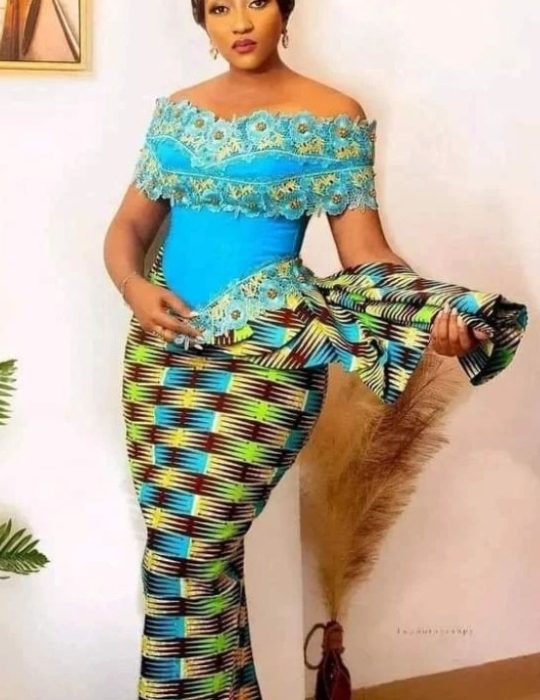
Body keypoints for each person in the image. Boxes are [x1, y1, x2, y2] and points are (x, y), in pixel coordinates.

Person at [102, 1, 528, 698]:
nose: (240, 22)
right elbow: (126, 228)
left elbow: (366, 255)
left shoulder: (332, 114)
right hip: (161, 357)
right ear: (201, 21)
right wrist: (133, 288)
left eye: (256, 2)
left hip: (269, 357)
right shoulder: (177, 114)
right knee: (184, 556)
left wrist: (436, 316)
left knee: (193, 553)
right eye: (219, 7)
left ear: (285, 9)